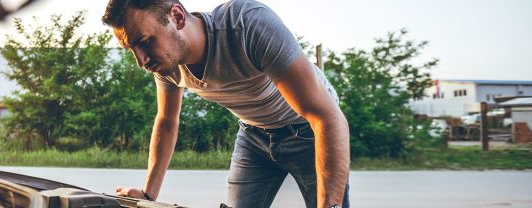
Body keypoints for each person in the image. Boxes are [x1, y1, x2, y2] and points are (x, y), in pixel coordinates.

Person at [101, 0, 350, 207]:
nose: (141, 61)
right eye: (131, 48)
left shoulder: (248, 24)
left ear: (176, 16)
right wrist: (148, 196)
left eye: (144, 41)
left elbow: (326, 116)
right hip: (253, 134)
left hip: (308, 130)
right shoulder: (165, 64)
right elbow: (167, 121)